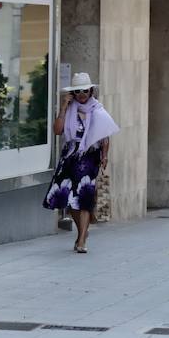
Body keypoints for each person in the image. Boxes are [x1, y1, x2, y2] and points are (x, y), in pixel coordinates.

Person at [43, 72, 119, 253]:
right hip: (70, 156)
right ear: (73, 93)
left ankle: (82, 240)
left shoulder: (98, 110)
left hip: (89, 156)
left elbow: (105, 136)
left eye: (85, 90)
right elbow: (57, 130)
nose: (82, 94)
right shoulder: (69, 109)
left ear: (91, 90)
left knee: (84, 198)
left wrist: (105, 156)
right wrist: (63, 107)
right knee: (68, 200)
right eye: (77, 91)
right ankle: (82, 232)